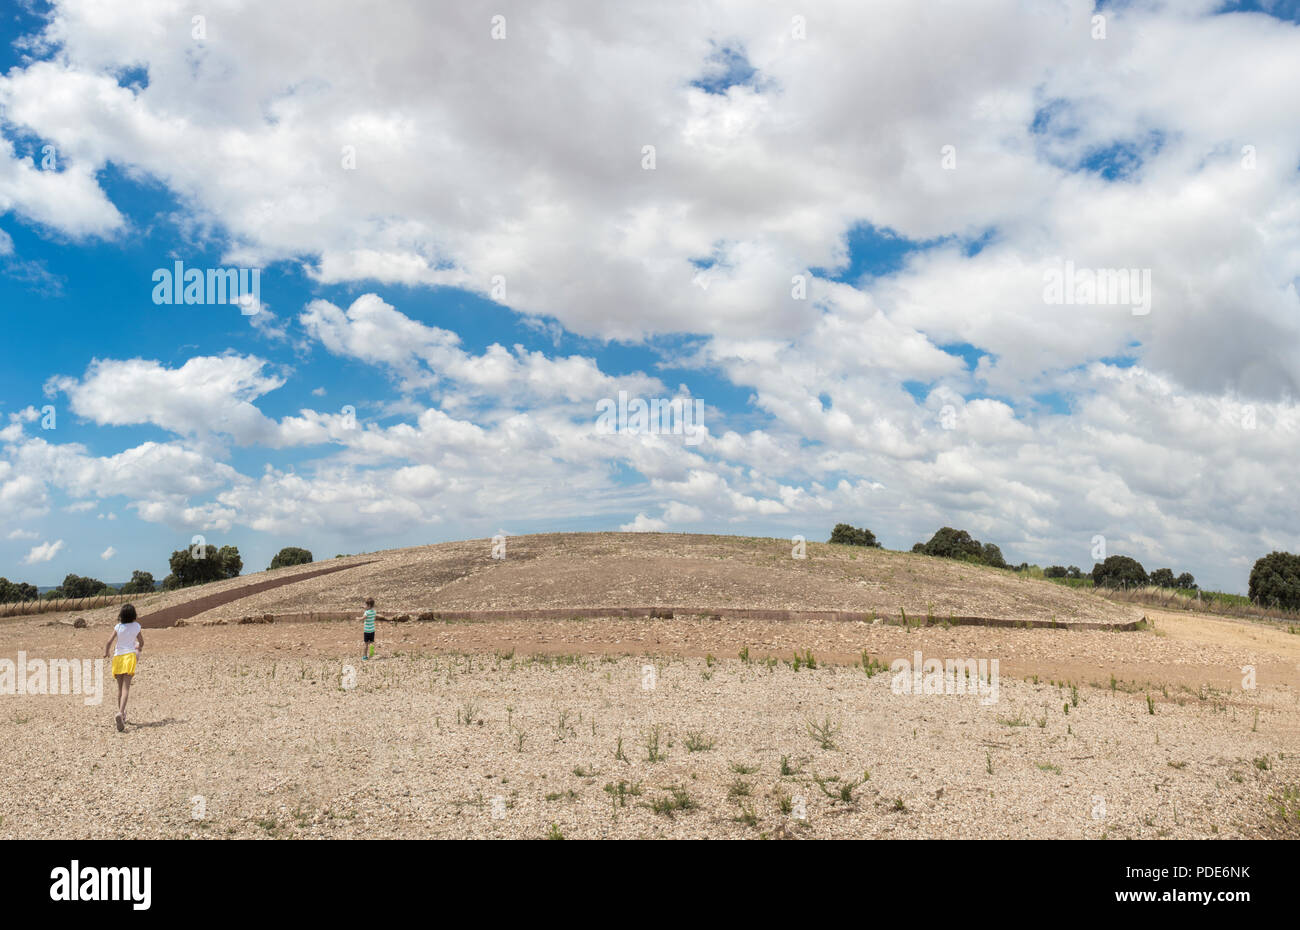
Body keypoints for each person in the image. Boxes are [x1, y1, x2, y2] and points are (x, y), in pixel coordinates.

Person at [103, 603, 144, 731]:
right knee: (126, 688)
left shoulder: (118, 627)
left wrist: (106, 652)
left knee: (120, 689)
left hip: (118, 658)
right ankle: (121, 713)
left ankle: (122, 714)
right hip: (129, 658)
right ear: (134, 615)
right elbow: (141, 642)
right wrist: (139, 647)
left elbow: (109, 642)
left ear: (121, 615)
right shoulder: (136, 626)